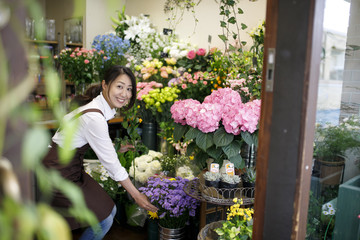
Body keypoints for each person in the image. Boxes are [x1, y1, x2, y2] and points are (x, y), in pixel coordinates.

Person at [42, 65, 158, 240]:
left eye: (129, 89)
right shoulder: (95, 117)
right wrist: (136, 195)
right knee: (104, 219)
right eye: (119, 86)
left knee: (108, 212)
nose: (125, 94)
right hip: (58, 174)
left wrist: (114, 148)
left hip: (66, 168)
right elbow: (111, 164)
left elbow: (81, 139)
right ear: (105, 85)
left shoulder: (95, 108)